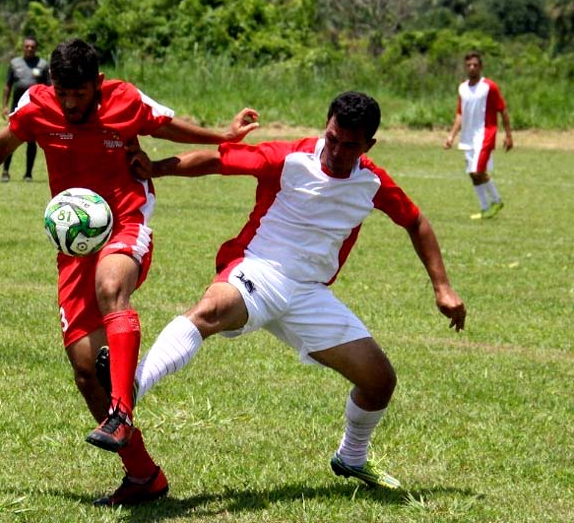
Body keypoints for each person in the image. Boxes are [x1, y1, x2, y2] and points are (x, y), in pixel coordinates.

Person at [0, 38, 258, 506]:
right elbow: (4, 141)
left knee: (112, 287)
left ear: (97, 84)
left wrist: (224, 137)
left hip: (126, 220)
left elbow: (170, 127)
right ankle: (144, 476)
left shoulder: (125, 100)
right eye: (62, 92)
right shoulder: (38, 104)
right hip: (75, 243)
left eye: (80, 93)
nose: (70, 102)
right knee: (87, 370)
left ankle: (122, 410)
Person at [119, 91, 465, 491]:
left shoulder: (371, 182)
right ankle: (126, 396)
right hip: (260, 270)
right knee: (210, 311)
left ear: (368, 144)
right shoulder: (290, 158)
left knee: (379, 381)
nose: (336, 150)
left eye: (350, 145)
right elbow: (219, 159)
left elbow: (416, 221)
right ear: (326, 126)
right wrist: (156, 169)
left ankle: (352, 458)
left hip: (309, 295)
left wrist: (442, 287)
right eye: (332, 138)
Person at [443, 51, 513, 219]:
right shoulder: (462, 88)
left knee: (477, 170)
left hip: (485, 134)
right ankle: (485, 207)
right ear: (465, 67)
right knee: (473, 173)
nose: (472, 67)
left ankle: (496, 200)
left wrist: (509, 135)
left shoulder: (489, 86)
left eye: (475, 64)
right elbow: (460, 115)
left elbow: (502, 111)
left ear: (481, 67)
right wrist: (451, 136)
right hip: (468, 137)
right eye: (469, 65)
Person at [0, 36, 50, 182]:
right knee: (10, 139)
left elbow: (49, 87)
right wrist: (4, 106)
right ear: (23, 47)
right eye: (27, 46)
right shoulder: (15, 64)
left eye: (32, 47)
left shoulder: (42, 65)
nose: (29, 49)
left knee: (31, 141)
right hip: (16, 108)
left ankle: (28, 174)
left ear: (36, 48)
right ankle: (5, 171)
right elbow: (7, 85)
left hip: (34, 110)